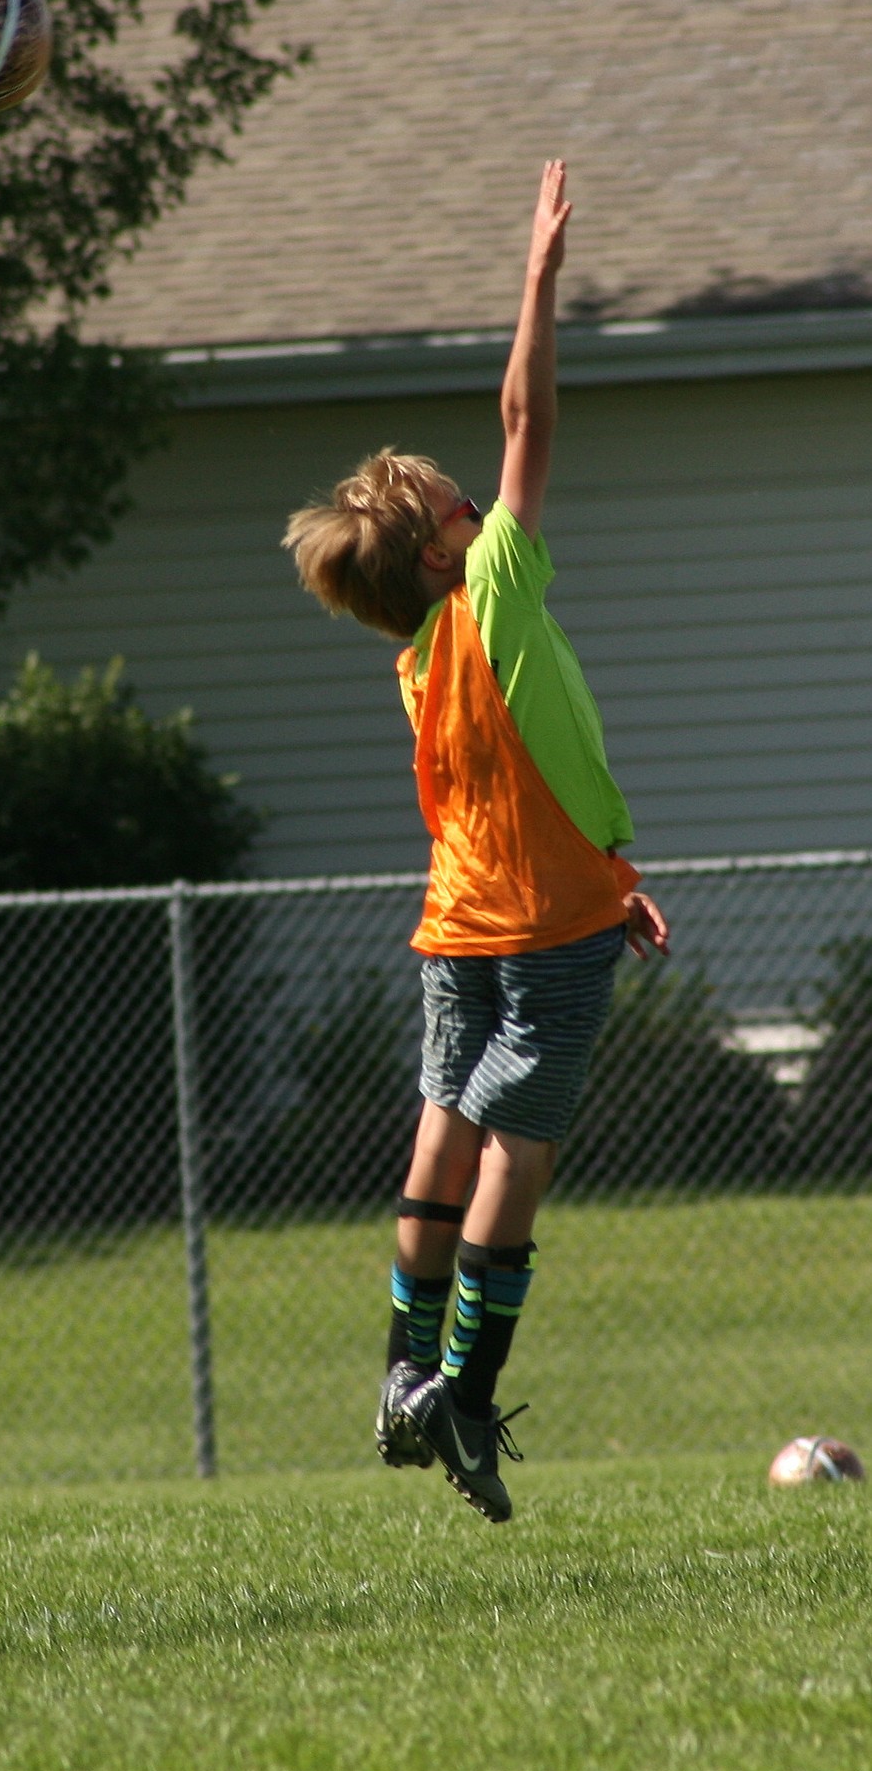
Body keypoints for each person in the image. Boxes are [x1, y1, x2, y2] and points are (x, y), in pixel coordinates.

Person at [282, 161, 669, 1522]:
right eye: (458, 500)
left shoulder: (415, 656)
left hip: (461, 921)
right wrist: (539, 273)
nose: (478, 498)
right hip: (543, 932)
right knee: (520, 1145)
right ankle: (461, 1380)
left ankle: (399, 1368)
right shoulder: (494, 583)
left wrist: (615, 877)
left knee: (444, 1128)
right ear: (449, 553)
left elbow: (526, 776)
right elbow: (526, 410)